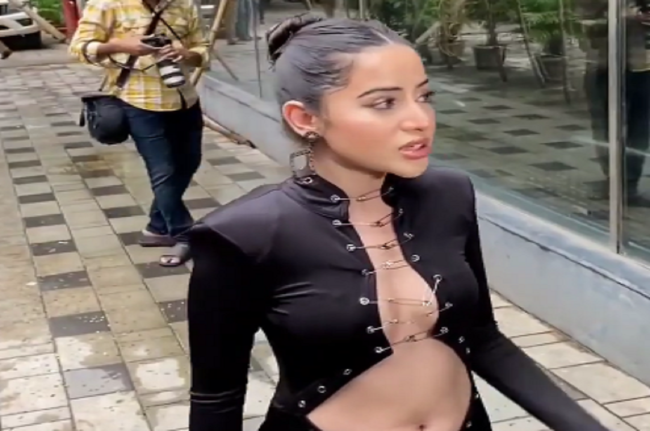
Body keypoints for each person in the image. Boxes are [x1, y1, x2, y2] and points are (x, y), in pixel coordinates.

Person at [186, 15, 610, 431]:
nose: (420, 119)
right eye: (384, 103)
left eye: (424, 96)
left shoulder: (449, 194)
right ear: (305, 119)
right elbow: (216, 399)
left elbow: (482, 336)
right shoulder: (241, 235)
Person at [69, 0, 209, 267]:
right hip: (138, 101)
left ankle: (156, 227)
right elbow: (79, 47)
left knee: (189, 162)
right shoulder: (107, 4)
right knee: (163, 170)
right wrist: (121, 45)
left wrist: (186, 54)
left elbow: (202, 49)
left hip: (184, 98)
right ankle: (185, 234)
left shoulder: (184, 4)